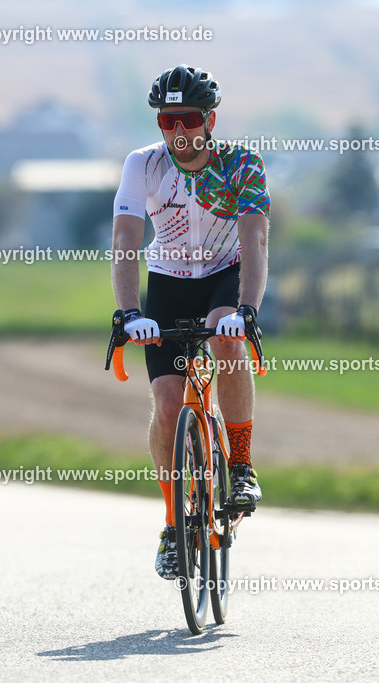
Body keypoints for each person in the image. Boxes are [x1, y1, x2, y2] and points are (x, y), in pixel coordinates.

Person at [111, 64, 269, 580]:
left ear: (210, 120)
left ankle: (241, 466)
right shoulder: (144, 165)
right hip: (170, 281)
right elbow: (126, 242)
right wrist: (131, 312)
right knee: (166, 403)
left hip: (224, 276)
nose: (178, 132)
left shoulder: (243, 164)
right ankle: (174, 523)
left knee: (226, 336)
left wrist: (246, 309)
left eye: (187, 119)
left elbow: (255, 240)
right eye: (166, 121)